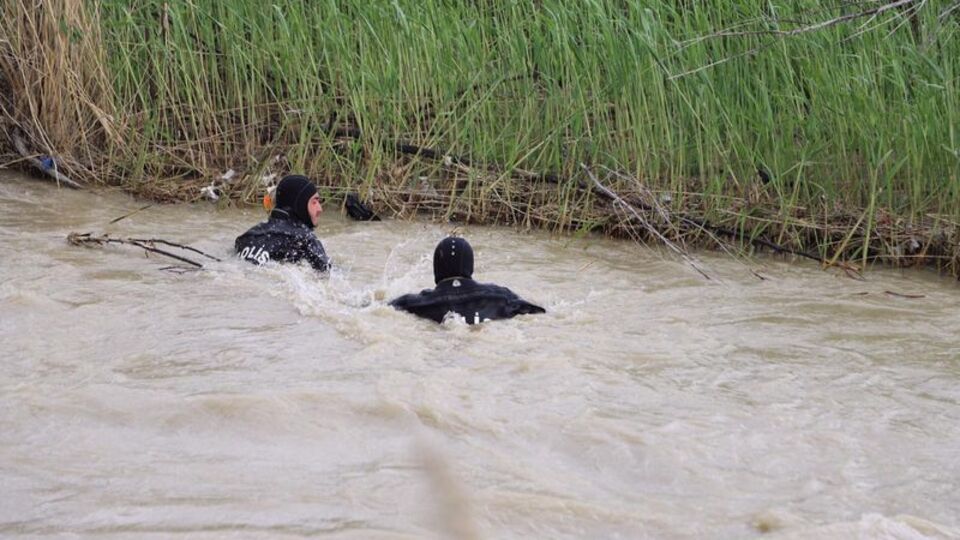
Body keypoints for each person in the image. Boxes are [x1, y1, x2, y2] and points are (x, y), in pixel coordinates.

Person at [389, 236, 545, 324]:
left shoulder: (412, 303)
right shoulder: (501, 296)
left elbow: (375, 310)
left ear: (437, 266)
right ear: (470, 264)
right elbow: (540, 313)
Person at [235, 174, 331, 272]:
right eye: (314, 202)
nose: (320, 209)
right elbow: (327, 274)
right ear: (300, 205)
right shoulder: (304, 239)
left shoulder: (248, 236)